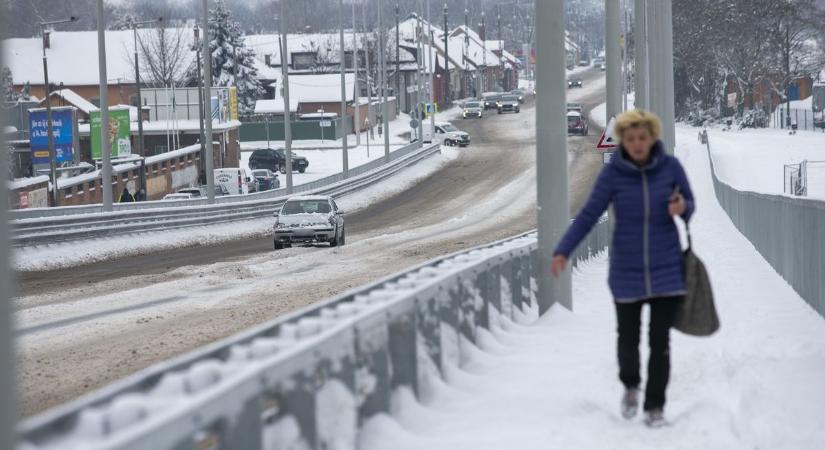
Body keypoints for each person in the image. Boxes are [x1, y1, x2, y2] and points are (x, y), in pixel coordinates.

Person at [550, 110, 695, 428]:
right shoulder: (613, 175)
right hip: (626, 271)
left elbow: (690, 203)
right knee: (628, 339)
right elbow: (588, 215)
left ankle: (655, 407)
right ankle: (631, 385)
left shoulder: (670, 168)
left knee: (660, 343)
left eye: (642, 137)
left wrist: (682, 207)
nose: (637, 143)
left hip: (666, 269)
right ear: (623, 142)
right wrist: (563, 251)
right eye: (630, 139)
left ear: (652, 138)